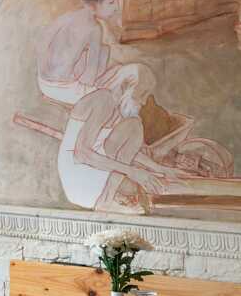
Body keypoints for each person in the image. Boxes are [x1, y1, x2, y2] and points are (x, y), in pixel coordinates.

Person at [58, 64, 169, 210]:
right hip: (78, 175)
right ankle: (106, 199)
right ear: (126, 86)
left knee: (134, 126)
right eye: (142, 93)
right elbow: (82, 154)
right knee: (134, 128)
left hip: (88, 171)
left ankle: (108, 195)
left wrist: (159, 168)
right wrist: (133, 172)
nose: (143, 102)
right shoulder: (103, 99)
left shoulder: (117, 110)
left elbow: (123, 151)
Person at [38, 0, 125, 105]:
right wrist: (89, 89)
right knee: (112, 96)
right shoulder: (94, 28)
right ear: (93, 5)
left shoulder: (66, 17)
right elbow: (90, 74)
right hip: (63, 89)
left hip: (43, 83)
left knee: (104, 50)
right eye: (111, 2)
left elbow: (43, 44)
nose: (116, 8)